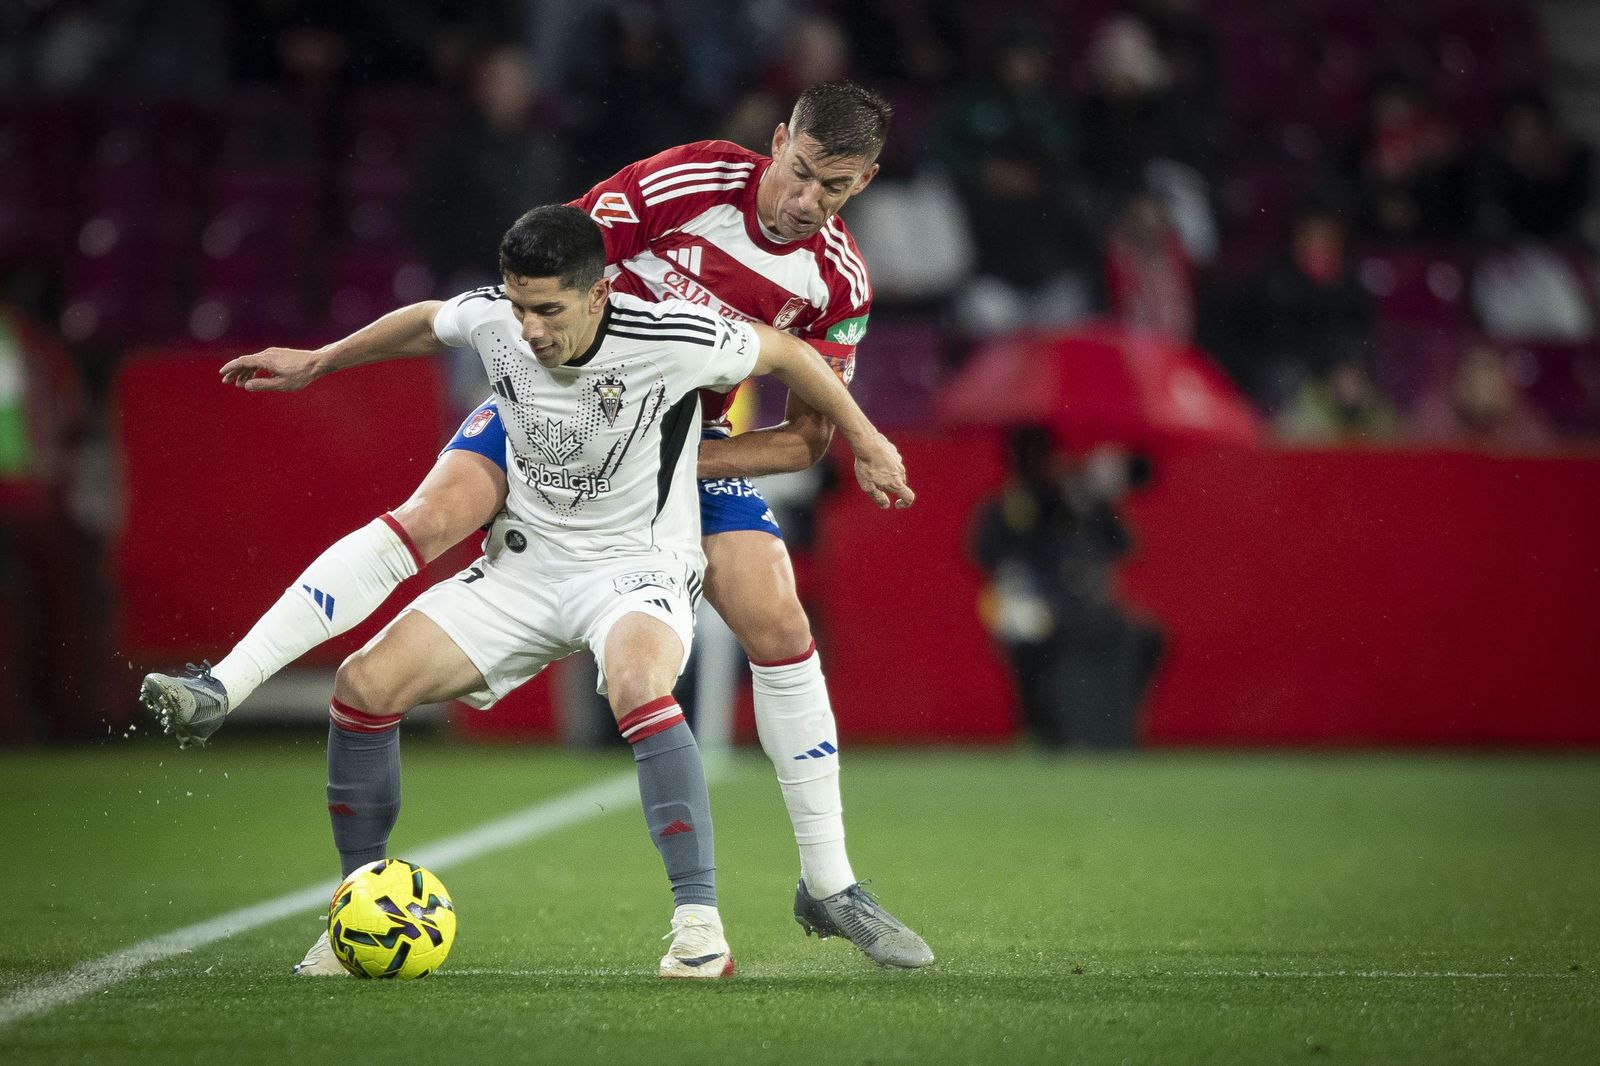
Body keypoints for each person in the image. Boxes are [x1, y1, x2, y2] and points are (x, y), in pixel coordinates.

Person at [140, 81, 936, 968]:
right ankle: (227, 683)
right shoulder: (686, 183)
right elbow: (554, 276)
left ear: (866, 182)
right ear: (779, 141)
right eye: (800, 172)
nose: (806, 200)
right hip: (549, 400)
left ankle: (829, 882)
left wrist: (661, 457)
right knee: (432, 517)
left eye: (833, 188)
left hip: (678, 440)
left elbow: (802, 439)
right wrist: (326, 361)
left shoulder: (835, 281)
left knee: (778, 620)